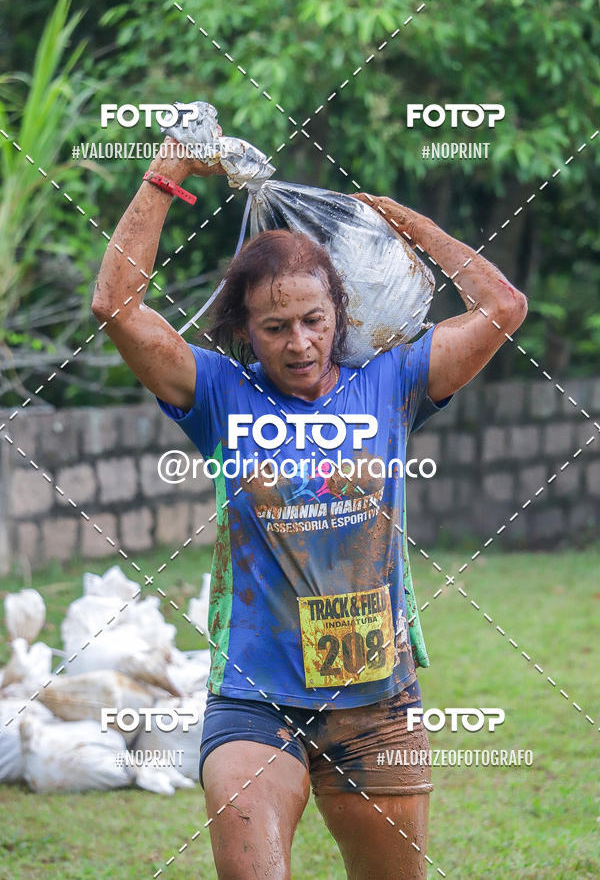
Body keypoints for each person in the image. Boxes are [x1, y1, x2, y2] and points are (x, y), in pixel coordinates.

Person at [92, 136, 527, 879]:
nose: (300, 344)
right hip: (256, 699)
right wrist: (167, 175)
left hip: (376, 699)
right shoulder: (220, 395)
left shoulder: (392, 382)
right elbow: (115, 305)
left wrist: (411, 228)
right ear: (244, 331)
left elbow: (503, 306)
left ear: (339, 311)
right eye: (275, 327)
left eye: (315, 320)